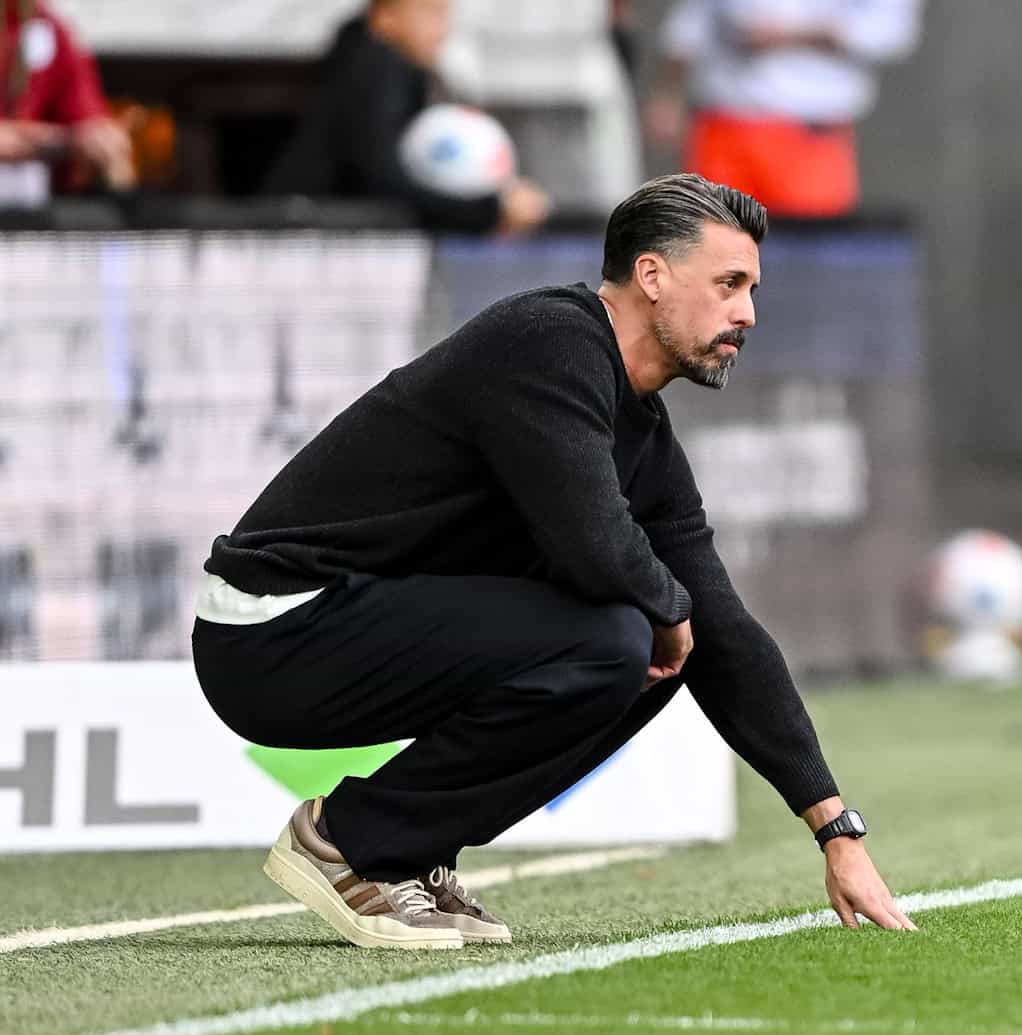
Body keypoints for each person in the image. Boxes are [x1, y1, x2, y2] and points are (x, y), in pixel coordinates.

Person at [191, 174, 916, 950]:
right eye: (729, 283)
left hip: (354, 625)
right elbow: (593, 539)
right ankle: (347, 842)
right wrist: (669, 612)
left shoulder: (646, 439)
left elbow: (726, 633)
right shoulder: (550, 339)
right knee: (615, 638)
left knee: (648, 652)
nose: (747, 312)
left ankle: (407, 849)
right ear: (651, 276)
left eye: (751, 289)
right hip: (274, 626)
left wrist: (835, 828)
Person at [264, 0, 549, 235]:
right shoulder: (378, 65)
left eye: (446, 16)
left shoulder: (385, 69)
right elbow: (383, 179)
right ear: (384, 18)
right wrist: (489, 210)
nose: (442, 31)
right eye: (430, 14)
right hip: (310, 239)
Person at [646, 0, 921, 219]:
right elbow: (693, 20)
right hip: (724, 124)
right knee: (710, 257)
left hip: (809, 131)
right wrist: (668, 91)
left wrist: (791, 35)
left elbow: (888, 30)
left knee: (806, 263)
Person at [0, 0, 133, 201]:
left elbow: (87, 117)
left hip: (32, 212)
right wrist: (62, 142)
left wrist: (102, 140)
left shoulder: (49, 27)